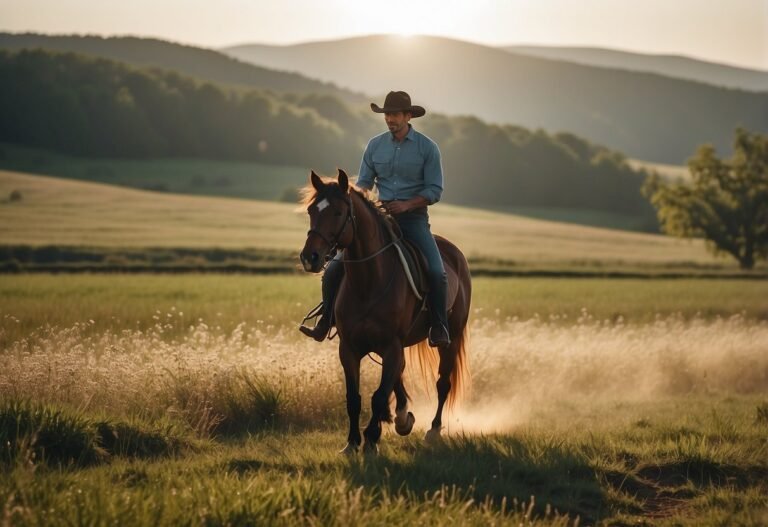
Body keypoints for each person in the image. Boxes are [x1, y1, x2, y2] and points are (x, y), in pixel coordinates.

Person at [300, 90, 450, 347]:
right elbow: (364, 184)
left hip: (413, 220)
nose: (390, 119)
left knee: (437, 272)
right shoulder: (374, 145)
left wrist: (406, 205)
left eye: (395, 114)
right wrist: (354, 201)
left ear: (408, 116)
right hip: (381, 219)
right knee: (333, 269)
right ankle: (326, 320)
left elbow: (434, 190)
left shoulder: (427, 148)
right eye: (387, 115)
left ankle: (438, 326)